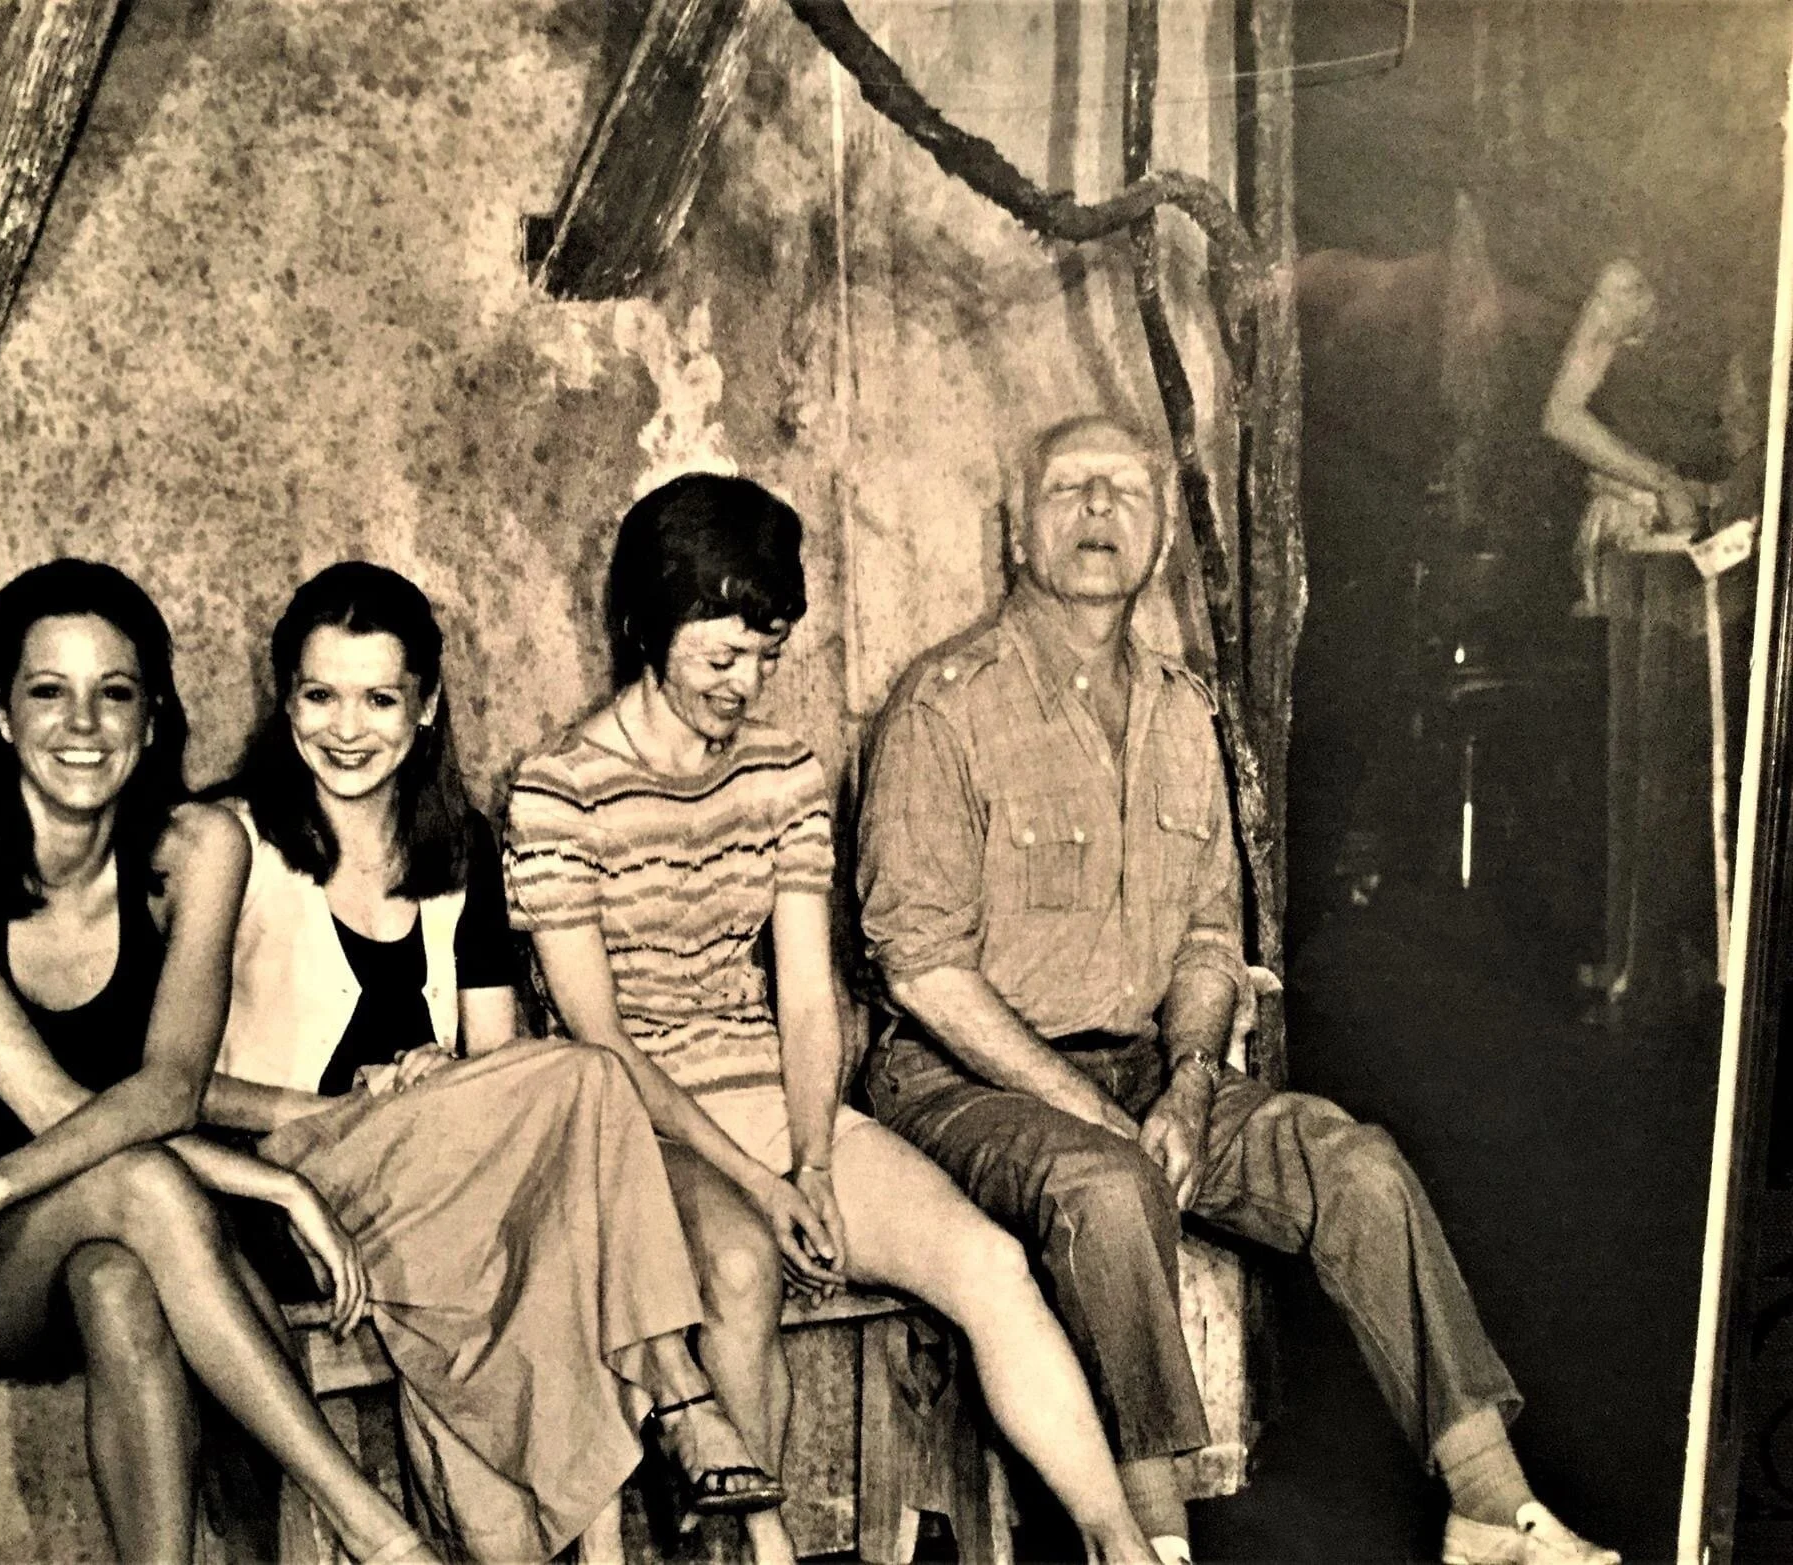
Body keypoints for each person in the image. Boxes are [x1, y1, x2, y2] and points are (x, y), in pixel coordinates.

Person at [856, 414, 1622, 1565]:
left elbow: (1210, 936)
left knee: (1352, 1162)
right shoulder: (942, 705)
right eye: (1069, 489)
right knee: (1109, 1187)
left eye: (1123, 489)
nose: (1099, 510)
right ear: (1019, 528)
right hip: (963, 1078)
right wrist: (1102, 1112)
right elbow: (919, 971)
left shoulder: (1182, 710)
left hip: (1148, 1069)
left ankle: (1486, 1503)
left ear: (1160, 533)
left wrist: (1187, 1082)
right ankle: (1152, 1542)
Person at [505, 474, 1160, 1565]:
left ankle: (1119, 1544)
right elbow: (601, 1042)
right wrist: (762, 1187)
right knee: (739, 1270)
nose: (745, 684)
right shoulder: (556, 789)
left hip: (773, 1097)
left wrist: (811, 1155)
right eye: (720, 657)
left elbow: (807, 994)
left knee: (988, 1262)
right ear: (645, 628)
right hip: (631, 1126)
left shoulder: (782, 772)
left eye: (766, 655)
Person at [198, 561, 780, 1564]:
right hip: (293, 1179)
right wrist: (345, 1095)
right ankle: (678, 1393)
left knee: (552, 1211)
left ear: (423, 708)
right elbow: (169, 1082)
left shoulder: (455, 842)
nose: (347, 727)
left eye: (379, 697)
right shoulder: (226, 838)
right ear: (283, 699)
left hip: (442, 1179)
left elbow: (501, 1065)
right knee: (591, 1079)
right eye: (319, 695)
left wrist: (443, 1080)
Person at [0, 559, 432, 1565]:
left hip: (122, 1215)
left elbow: (168, 1087)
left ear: (154, 713)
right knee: (141, 1189)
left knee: (121, 1280)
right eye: (48, 690)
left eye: (114, 691)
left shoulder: (197, 845)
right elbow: (46, 1100)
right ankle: (373, 1527)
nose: (81, 723)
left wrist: (264, 1180)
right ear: (0, 713)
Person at [1542, 258, 1732, 1023]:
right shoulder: (1626, 277)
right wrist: (1659, 482)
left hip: (1711, 542)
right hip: (1638, 543)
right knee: (1636, 752)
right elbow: (1560, 414)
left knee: (1695, 755)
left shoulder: (1735, 272)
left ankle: (1687, 963)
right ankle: (1630, 964)